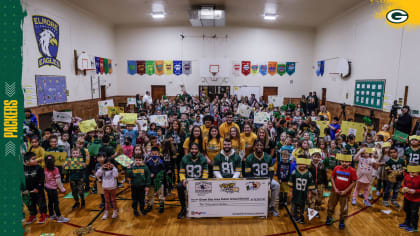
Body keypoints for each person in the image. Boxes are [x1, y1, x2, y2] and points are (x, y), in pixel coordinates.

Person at [245, 139, 280, 217]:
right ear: (254, 147)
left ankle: (271, 206)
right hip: (254, 181)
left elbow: (271, 172)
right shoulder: (249, 158)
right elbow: (248, 174)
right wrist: (256, 183)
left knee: (276, 185)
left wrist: (268, 181)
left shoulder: (268, 157)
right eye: (257, 145)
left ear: (263, 146)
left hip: (266, 179)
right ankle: (255, 207)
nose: (259, 147)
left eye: (261, 145)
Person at [177, 143, 208, 219]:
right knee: (179, 186)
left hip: (199, 181)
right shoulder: (184, 158)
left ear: (198, 150)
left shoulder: (203, 159)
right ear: (189, 149)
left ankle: (202, 207)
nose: (194, 150)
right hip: (188, 181)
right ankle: (183, 208)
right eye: (192, 149)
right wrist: (183, 180)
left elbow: (205, 173)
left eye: (195, 149)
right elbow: (181, 172)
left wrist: (202, 181)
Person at [326, 156, 357, 230]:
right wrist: (335, 188)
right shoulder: (336, 168)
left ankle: (342, 221)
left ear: (349, 162)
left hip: (345, 194)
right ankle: (329, 218)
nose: (344, 163)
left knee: (344, 209)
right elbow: (332, 178)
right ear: (340, 161)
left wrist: (345, 191)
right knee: (331, 205)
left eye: (346, 162)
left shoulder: (352, 170)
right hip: (334, 191)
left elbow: (354, 182)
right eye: (342, 161)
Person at [288, 156, 315, 224]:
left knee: (303, 205)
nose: (302, 165)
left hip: (304, 192)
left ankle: (301, 216)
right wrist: (290, 192)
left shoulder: (308, 174)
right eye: (300, 164)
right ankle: (295, 216)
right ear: (297, 164)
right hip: (296, 192)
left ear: (306, 164)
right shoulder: (294, 172)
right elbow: (291, 183)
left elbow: (310, 184)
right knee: (294, 204)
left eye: (303, 164)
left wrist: (309, 193)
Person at [23, 152, 47, 224]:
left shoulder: (39, 168)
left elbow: (42, 179)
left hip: (37, 190)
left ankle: (43, 215)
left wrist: (38, 188)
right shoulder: (22, 169)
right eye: (33, 159)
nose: (36, 160)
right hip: (27, 191)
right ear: (27, 161)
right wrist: (24, 189)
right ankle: (33, 215)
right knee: (30, 204)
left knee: (41, 203)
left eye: (35, 158)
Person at [44, 155, 69, 223]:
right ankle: (59, 217)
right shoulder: (56, 169)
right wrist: (62, 189)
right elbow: (58, 181)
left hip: (47, 187)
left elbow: (45, 179)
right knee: (56, 203)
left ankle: (51, 215)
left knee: (50, 202)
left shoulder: (45, 168)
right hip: (53, 189)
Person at [399, 164, 420, 232]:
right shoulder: (407, 176)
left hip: (416, 200)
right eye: (410, 172)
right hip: (407, 197)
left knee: (414, 213)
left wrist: (415, 191)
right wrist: (403, 188)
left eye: (413, 172)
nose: (411, 174)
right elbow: (404, 184)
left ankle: (414, 227)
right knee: (407, 210)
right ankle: (407, 223)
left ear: (418, 171)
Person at [146, 147, 166, 213]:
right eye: (153, 154)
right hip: (151, 181)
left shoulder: (161, 162)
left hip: (159, 181)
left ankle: (161, 205)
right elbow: (147, 171)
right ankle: (150, 205)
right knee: (150, 194)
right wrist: (150, 174)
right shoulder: (148, 162)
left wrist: (158, 175)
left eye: (156, 154)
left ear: (158, 154)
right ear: (151, 154)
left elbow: (163, 170)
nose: (154, 155)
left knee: (160, 193)